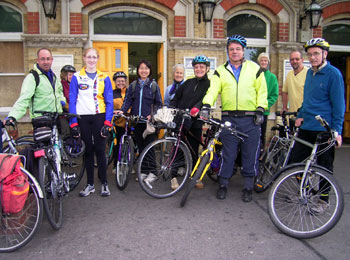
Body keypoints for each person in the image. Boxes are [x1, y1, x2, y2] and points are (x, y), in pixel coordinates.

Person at [201, 35, 267, 202]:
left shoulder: (255, 68)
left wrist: (261, 109)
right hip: (229, 118)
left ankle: (248, 187)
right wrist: (207, 105)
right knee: (227, 154)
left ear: (243, 50)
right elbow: (212, 90)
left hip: (250, 118)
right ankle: (223, 184)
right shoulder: (220, 71)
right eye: (231, 49)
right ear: (228, 51)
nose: (235, 52)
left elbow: (262, 92)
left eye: (238, 49)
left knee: (250, 154)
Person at [288, 38, 345, 213]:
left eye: (316, 54)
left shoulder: (333, 74)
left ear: (324, 54)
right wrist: (301, 115)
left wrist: (337, 131)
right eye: (310, 54)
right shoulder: (310, 74)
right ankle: (303, 191)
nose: (312, 57)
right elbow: (308, 100)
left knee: (324, 167)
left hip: (324, 129)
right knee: (293, 162)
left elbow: (339, 104)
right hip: (307, 127)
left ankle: (323, 200)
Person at [69, 47, 113, 197]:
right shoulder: (76, 76)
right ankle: (89, 184)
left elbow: (109, 102)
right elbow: (72, 100)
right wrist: (73, 122)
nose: (92, 60)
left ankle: (105, 183)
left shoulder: (104, 77)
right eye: (89, 57)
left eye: (94, 57)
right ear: (84, 58)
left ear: (98, 59)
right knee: (87, 151)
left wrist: (108, 122)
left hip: (99, 116)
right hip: (83, 118)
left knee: (100, 150)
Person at [119, 59, 162, 186]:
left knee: (149, 147)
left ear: (149, 71)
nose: (144, 71)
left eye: (146, 68)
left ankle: (153, 173)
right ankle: (144, 171)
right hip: (137, 122)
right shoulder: (133, 86)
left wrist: (152, 115)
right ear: (138, 70)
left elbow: (159, 104)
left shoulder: (154, 86)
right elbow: (127, 101)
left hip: (149, 123)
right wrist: (122, 111)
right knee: (141, 147)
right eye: (141, 68)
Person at [170, 55, 211, 189]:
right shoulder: (188, 82)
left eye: (202, 67)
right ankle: (173, 177)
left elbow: (206, 99)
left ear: (207, 68)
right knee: (178, 148)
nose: (199, 69)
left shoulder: (209, 84)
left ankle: (195, 176)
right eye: (196, 67)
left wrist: (197, 108)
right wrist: (172, 109)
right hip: (181, 120)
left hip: (196, 122)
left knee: (194, 150)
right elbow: (176, 98)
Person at [5, 48, 66, 124]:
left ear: (52, 60)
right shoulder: (32, 77)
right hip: (41, 120)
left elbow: (59, 91)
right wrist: (13, 116)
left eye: (48, 59)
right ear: (37, 60)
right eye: (42, 59)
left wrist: (62, 100)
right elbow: (24, 98)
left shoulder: (54, 77)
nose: (46, 62)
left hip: (56, 119)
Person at [257, 53, 279, 151]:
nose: (263, 62)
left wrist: (264, 105)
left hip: (263, 111)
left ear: (268, 62)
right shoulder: (254, 75)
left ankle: (260, 154)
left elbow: (274, 95)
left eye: (265, 60)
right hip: (252, 110)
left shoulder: (272, 77)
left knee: (261, 134)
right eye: (262, 60)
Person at [111, 71, 128, 174]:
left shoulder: (129, 92)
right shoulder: (112, 93)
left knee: (130, 145)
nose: (121, 82)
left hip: (129, 123)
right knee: (118, 145)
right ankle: (116, 166)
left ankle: (128, 164)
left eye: (122, 80)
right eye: (118, 81)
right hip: (118, 123)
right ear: (115, 82)